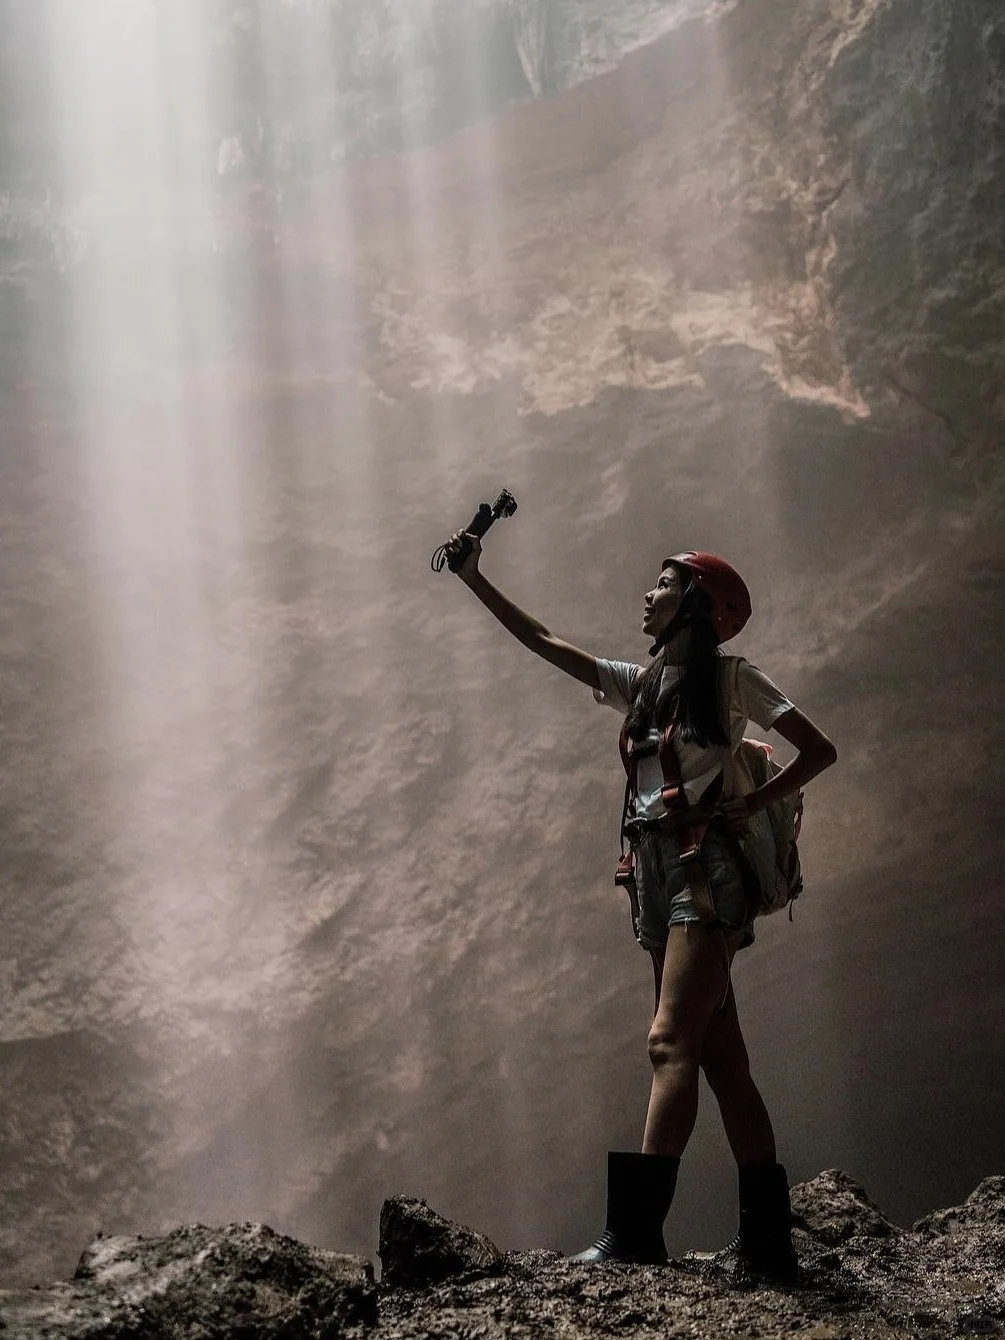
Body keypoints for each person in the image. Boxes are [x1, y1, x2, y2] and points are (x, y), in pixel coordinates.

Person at [443, 531, 836, 1277]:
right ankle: (767, 1243)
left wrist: (749, 805)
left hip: (704, 876)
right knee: (721, 1059)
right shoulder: (644, 684)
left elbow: (818, 749)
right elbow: (544, 641)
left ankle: (635, 1234)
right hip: (655, 874)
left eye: (662, 585)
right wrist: (474, 578)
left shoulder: (733, 680)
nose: (647, 596)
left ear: (696, 606)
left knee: (666, 1042)